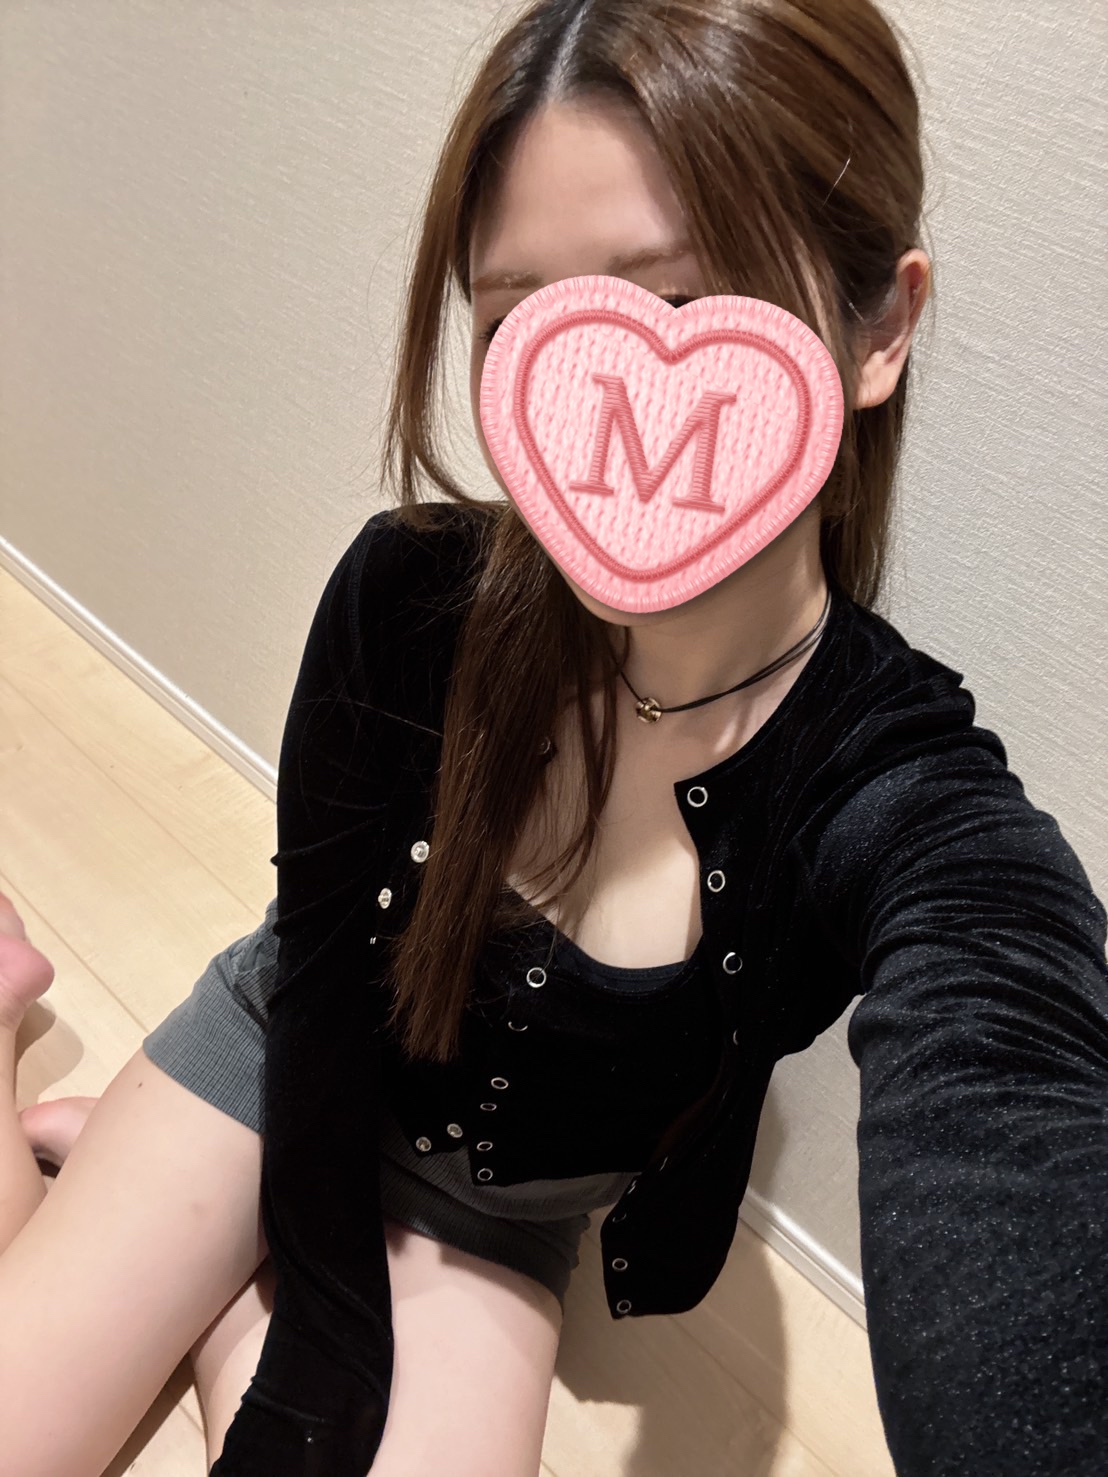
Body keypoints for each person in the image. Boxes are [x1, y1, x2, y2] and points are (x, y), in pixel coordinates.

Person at [3, 1, 1106, 1474]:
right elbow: (319, 975)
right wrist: (322, 1340)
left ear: (879, 328)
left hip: (493, 1217)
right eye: (522, 321)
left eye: (677, 305)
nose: (601, 411)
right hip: (289, 1064)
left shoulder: (898, 798)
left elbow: (1014, 1082)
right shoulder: (409, 597)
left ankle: (170, 1232)